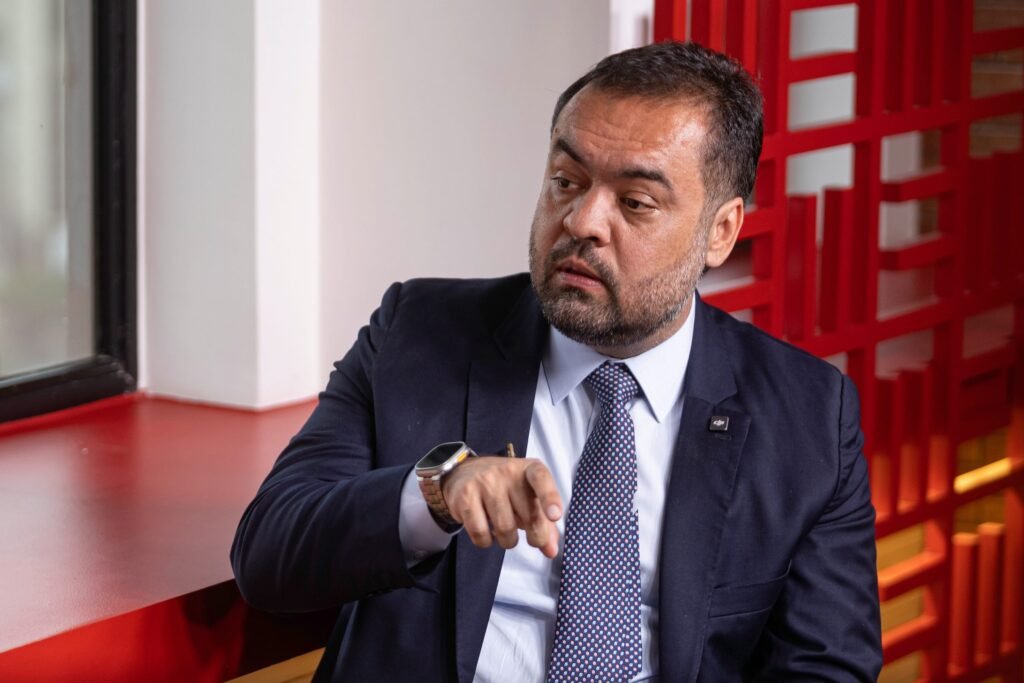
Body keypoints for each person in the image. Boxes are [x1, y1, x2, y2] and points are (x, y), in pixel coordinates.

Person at [231, 41, 882, 682]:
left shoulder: (808, 417)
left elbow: (827, 667)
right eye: (566, 182)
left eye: (635, 202)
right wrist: (436, 494)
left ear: (721, 231)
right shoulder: (419, 333)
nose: (582, 220)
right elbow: (268, 552)